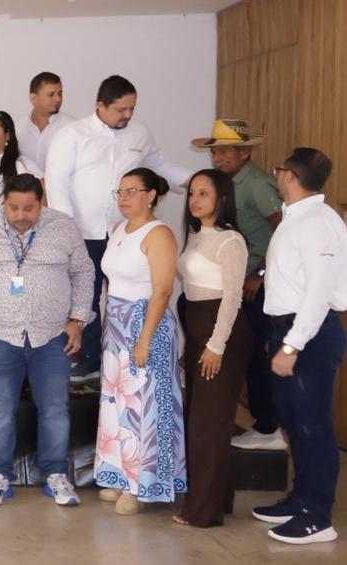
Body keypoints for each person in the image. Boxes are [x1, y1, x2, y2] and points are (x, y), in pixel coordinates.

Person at [0, 174, 92, 507]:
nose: (20, 215)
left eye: (29, 208)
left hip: (53, 336)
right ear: (4, 203)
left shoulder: (64, 227)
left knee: (56, 409)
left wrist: (78, 320)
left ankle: (56, 474)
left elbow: (84, 273)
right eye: (13, 207)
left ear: (41, 202)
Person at [46, 75, 192, 381]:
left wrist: (200, 181)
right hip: (81, 232)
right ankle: (87, 357)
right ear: (100, 105)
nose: (128, 115)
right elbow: (57, 184)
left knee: (121, 295)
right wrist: (66, 230)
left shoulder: (141, 134)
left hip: (124, 233)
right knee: (84, 296)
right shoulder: (72, 134)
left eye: (132, 109)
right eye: (121, 109)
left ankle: (120, 353)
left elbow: (161, 166)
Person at [255, 147, 346, 545]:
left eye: (278, 170)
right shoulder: (297, 218)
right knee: (294, 422)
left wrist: (291, 346)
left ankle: (317, 515)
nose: (277, 176)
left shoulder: (320, 222)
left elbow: (319, 293)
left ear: (289, 175)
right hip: (288, 330)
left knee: (312, 426)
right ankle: (300, 498)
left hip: (308, 334)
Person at [190, 119, 287, 451]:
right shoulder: (226, 184)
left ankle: (268, 426)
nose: (218, 159)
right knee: (241, 354)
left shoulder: (257, 184)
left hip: (252, 284)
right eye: (215, 153)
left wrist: (259, 275)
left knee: (255, 352)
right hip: (231, 281)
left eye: (225, 153)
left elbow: (283, 233)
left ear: (245, 153)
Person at [93, 168, 184, 516]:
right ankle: (118, 474)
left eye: (132, 191)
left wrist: (144, 339)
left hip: (147, 323)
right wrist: (108, 325)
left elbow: (162, 289)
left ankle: (143, 484)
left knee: (146, 405)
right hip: (117, 323)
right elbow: (111, 284)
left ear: (151, 195)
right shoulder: (119, 230)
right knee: (116, 403)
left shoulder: (159, 233)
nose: (124, 198)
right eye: (121, 191)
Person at [173, 169, 251, 528]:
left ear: (222, 197)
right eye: (192, 193)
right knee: (203, 421)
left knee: (209, 425)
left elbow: (233, 298)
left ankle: (202, 512)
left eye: (204, 193)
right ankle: (216, 500)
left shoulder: (230, 241)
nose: (195, 200)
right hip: (198, 329)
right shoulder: (194, 236)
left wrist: (216, 345)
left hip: (223, 335)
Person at [17, 72, 73, 168]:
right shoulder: (17, 129)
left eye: (60, 94)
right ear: (33, 98)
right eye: (51, 95)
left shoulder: (72, 127)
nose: (58, 99)